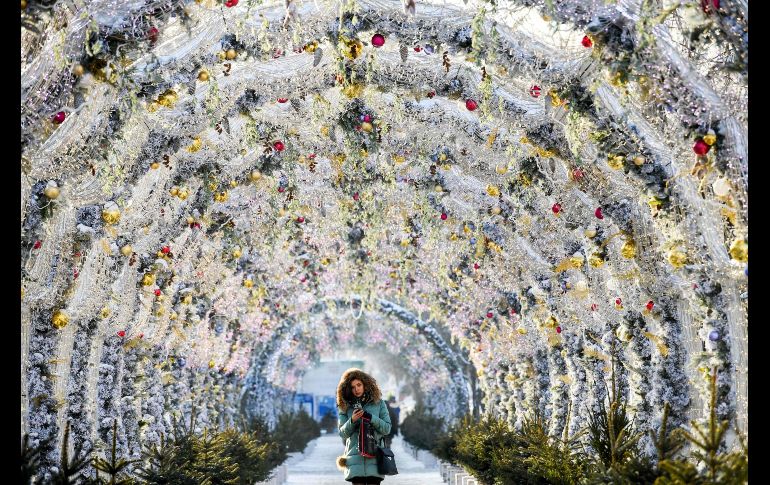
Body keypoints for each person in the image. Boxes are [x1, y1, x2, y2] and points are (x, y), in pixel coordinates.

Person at [335, 368, 392, 485]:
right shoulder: (345, 406)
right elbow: (342, 433)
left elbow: (387, 429)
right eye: (352, 387)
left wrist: (371, 418)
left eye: (359, 385)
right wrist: (352, 420)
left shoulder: (379, 403)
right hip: (355, 460)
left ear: (365, 384)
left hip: (375, 458)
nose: (356, 389)